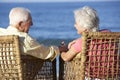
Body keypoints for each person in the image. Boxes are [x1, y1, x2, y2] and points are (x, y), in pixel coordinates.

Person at [60, 6, 114, 79]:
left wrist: (62, 51)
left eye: (76, 23)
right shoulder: (108, 34)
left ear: (85, 28)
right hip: (113, 76)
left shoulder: (80, 43)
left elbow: (66, 58)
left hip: (93, 77)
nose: (74, 25)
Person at [0, 7, 66, 61]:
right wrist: (61, 48)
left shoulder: (1, 33)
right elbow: (46, 53)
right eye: (29, 22)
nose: (32, 24)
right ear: (20, 24)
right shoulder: (24, 39)